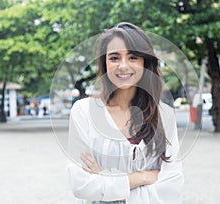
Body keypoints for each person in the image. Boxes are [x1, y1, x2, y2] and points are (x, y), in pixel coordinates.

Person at [67, 22, 183, 204]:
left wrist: (107, 181)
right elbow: (81, 185)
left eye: (133, 57)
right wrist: (143, 177)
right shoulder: (83, 112)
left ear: (145, 62)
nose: (123, 66)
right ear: (104, 63)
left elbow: (173, 186)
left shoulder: (164, 114)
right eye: (114, 58)